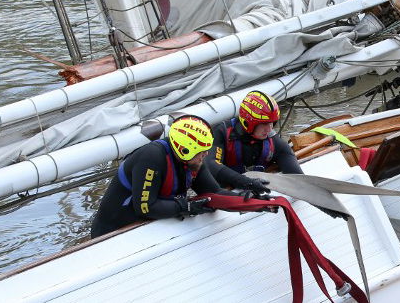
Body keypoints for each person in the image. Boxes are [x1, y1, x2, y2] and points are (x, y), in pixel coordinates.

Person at [90, 115, 270, 238]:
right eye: (201, 152)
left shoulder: (192, 160)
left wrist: (252, 200)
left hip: (152, 226)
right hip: (113, 232)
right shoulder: (151, 158)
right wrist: (187, 207)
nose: (205, 155)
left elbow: (214, 192)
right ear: (184, 149)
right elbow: (145, 207)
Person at [205, 90, 303, 189]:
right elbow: (211, 164)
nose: (269, 129)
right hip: (224, 191)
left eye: (272, 123)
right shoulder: (221, 132)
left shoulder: (273, 140)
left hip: (252, 188)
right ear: (248, 122)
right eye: (264, 123)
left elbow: (297, 176)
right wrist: (246, 182)